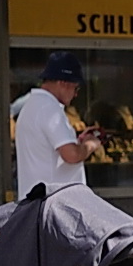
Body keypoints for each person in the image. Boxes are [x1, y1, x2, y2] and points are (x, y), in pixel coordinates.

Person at [13, 51, 101, 197]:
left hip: (36, 203)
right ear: (63, 83)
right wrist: (90, 144)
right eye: (76, 88)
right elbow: (71, 155)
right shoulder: (50, 109)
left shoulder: (31, 106)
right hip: (55, 206)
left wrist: (76, 142)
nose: (76, 94)